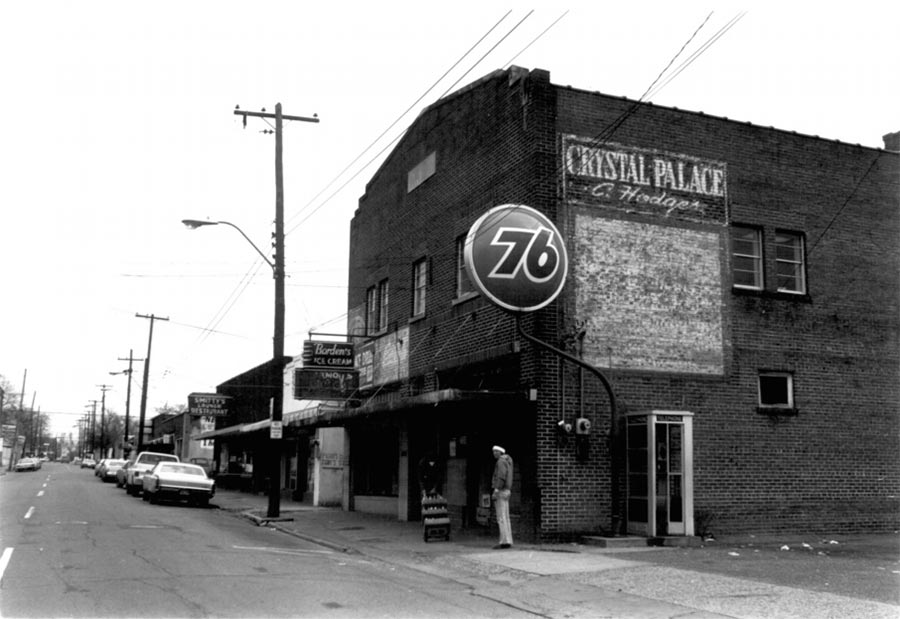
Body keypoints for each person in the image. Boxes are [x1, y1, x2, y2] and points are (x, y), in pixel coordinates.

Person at [491, 445, 514, 549]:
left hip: (501, 490)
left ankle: (504, 541)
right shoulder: (508, 461)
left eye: (496, 451)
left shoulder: (500, 462)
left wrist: (496, 490)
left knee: (501, 517)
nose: (494, 453)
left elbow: (500, 477)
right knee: (506, 517)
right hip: (507, 490)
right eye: (494, 451)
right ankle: (508, 540)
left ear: (500, 452)